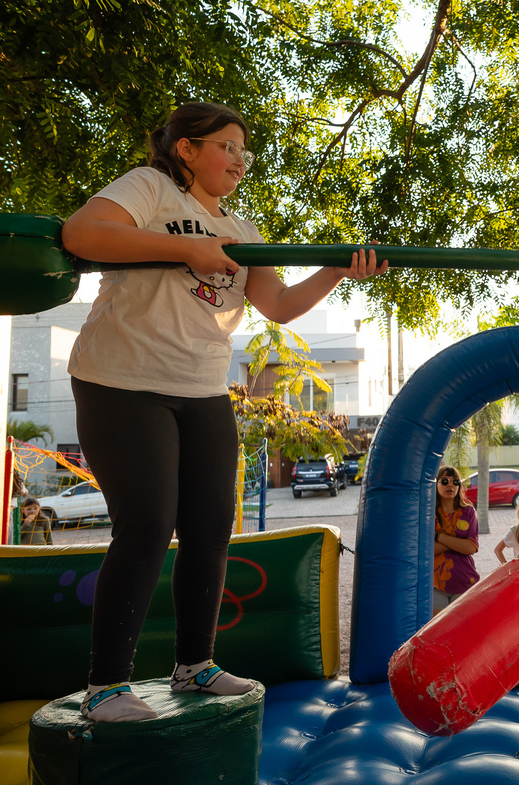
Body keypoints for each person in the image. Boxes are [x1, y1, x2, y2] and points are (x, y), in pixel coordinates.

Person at [60, 102, 388, 722]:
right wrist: (187, 251)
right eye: (226, 146)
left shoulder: (244, 229)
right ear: (186, 148)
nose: (240, 159)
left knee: (212, 526)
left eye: (245, 150)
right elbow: (82, 235)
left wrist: (337, 269)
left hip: (202, 386)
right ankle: (105, 685)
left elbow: (280, 306)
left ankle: (194, 665)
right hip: (121, 380)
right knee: (149, 523)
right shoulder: (150, 188)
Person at [433, 465, 480, 612]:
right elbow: (427, 550)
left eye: (455, 481)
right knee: (438, 632)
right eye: (445, 481)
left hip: (465, 580)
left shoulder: (468, 511)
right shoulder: (428, 512)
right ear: (436, 484)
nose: (451, 485)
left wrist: (438, 536)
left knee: (463, 631)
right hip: (435, 584)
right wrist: (458, 541)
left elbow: (471, 548)